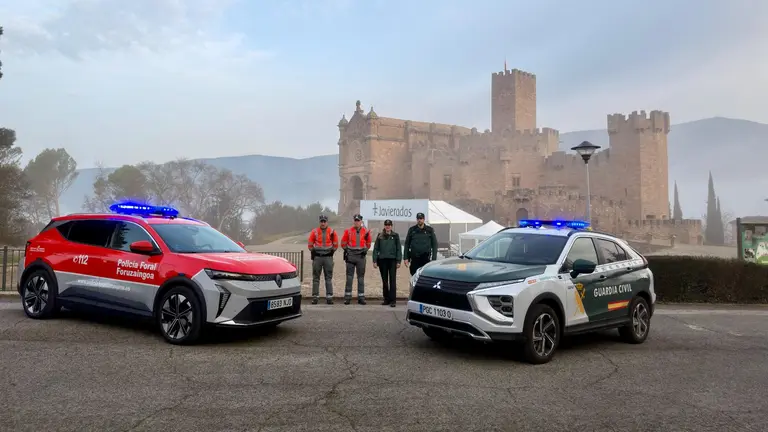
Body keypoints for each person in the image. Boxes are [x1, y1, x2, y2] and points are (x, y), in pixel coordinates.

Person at [340, 214, 372, 305]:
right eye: (355, 220)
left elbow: (369, 243)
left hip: (361, 257)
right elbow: (343, 243)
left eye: (358, 220)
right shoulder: (348, 231)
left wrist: (365, 250)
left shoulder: (366, 232)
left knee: (360, 278)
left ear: (361, 221)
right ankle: (347, 297)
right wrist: (347, 250)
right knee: (349, 278)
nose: (356, 222)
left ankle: (361, 297)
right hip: (351, 256)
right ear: (353, 221)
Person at [307, 214, 339, 305]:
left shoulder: (332, 232)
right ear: (319, 222)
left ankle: (329, 298)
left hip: (328, 257)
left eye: (325, 221)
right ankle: (315, 297)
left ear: (327, 222)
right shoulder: (314, 231)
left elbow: (336, 245)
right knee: (316, 278)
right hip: (317, 257)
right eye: (322, 221)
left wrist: (331, 252)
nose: (323, 223)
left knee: (328, 278)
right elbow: (310, 244)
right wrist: (314, 252)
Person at [372, 219, 402, 307]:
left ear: (391, 226)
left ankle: (393, 300)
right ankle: (386, 299)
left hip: (392, 260)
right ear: (384, 226)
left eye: (389, 225)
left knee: (392, 280)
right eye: (386, 225)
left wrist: (398, 260)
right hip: (382, 261)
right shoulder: (380, 236)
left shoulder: (395, 236)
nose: (388, 226)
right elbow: (376, 249)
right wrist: (374, 260)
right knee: (384, 281)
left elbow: (398, 249)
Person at [403, 212, 438, 276]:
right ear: (416, 219)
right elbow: (407, 244)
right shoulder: (412, 230)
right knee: (414, 276)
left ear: (424, 219)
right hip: (414, 258)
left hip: (426, 258)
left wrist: (434, 258)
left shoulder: (429, 230)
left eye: (421, 218)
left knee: (425, 276)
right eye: (418, 218)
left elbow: (434, 244)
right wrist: (406, 258)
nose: (419, 220)